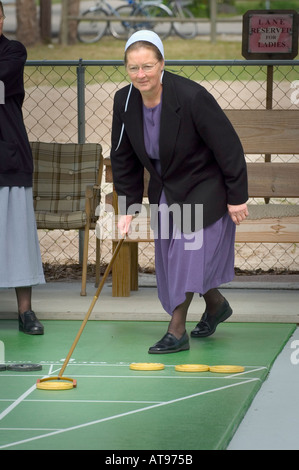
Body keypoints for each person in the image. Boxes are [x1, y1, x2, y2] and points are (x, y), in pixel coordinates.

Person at [110, 30, 248, 354]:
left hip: (203, 185)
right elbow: (124, 158)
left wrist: (237, 195)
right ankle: (215, 305)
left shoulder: (191, 96)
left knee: (187, 253)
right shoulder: (124, 101)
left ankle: (176, 330)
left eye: (147, 66)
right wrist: (127, 206)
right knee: (172, 262)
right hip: (166, 188)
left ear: (162, 64)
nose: (140, 75)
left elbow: (228, 147)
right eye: (133, 68)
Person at [0, 1, 45, 335]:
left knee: (18, 238)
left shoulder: (13, 52)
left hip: (9, 158)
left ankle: (25, 312)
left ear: (2, 19)